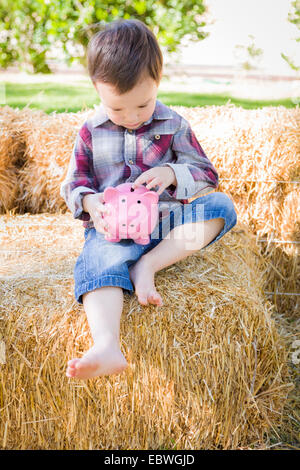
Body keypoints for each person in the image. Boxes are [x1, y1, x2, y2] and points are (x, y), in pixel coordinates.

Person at [60, 18, 237, 380]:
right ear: (97, 90)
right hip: (113, 231)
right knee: (98, 265)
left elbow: (206, 173)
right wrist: (92, 205)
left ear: (158, 80)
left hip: (165, 224)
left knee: (221, 208)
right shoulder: (90, 132)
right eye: (117, 109)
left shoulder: (174, 125)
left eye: (142, 105)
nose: (131, 118)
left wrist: (173, 173)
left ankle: (148, 266)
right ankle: (107, 344)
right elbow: (74, 184)